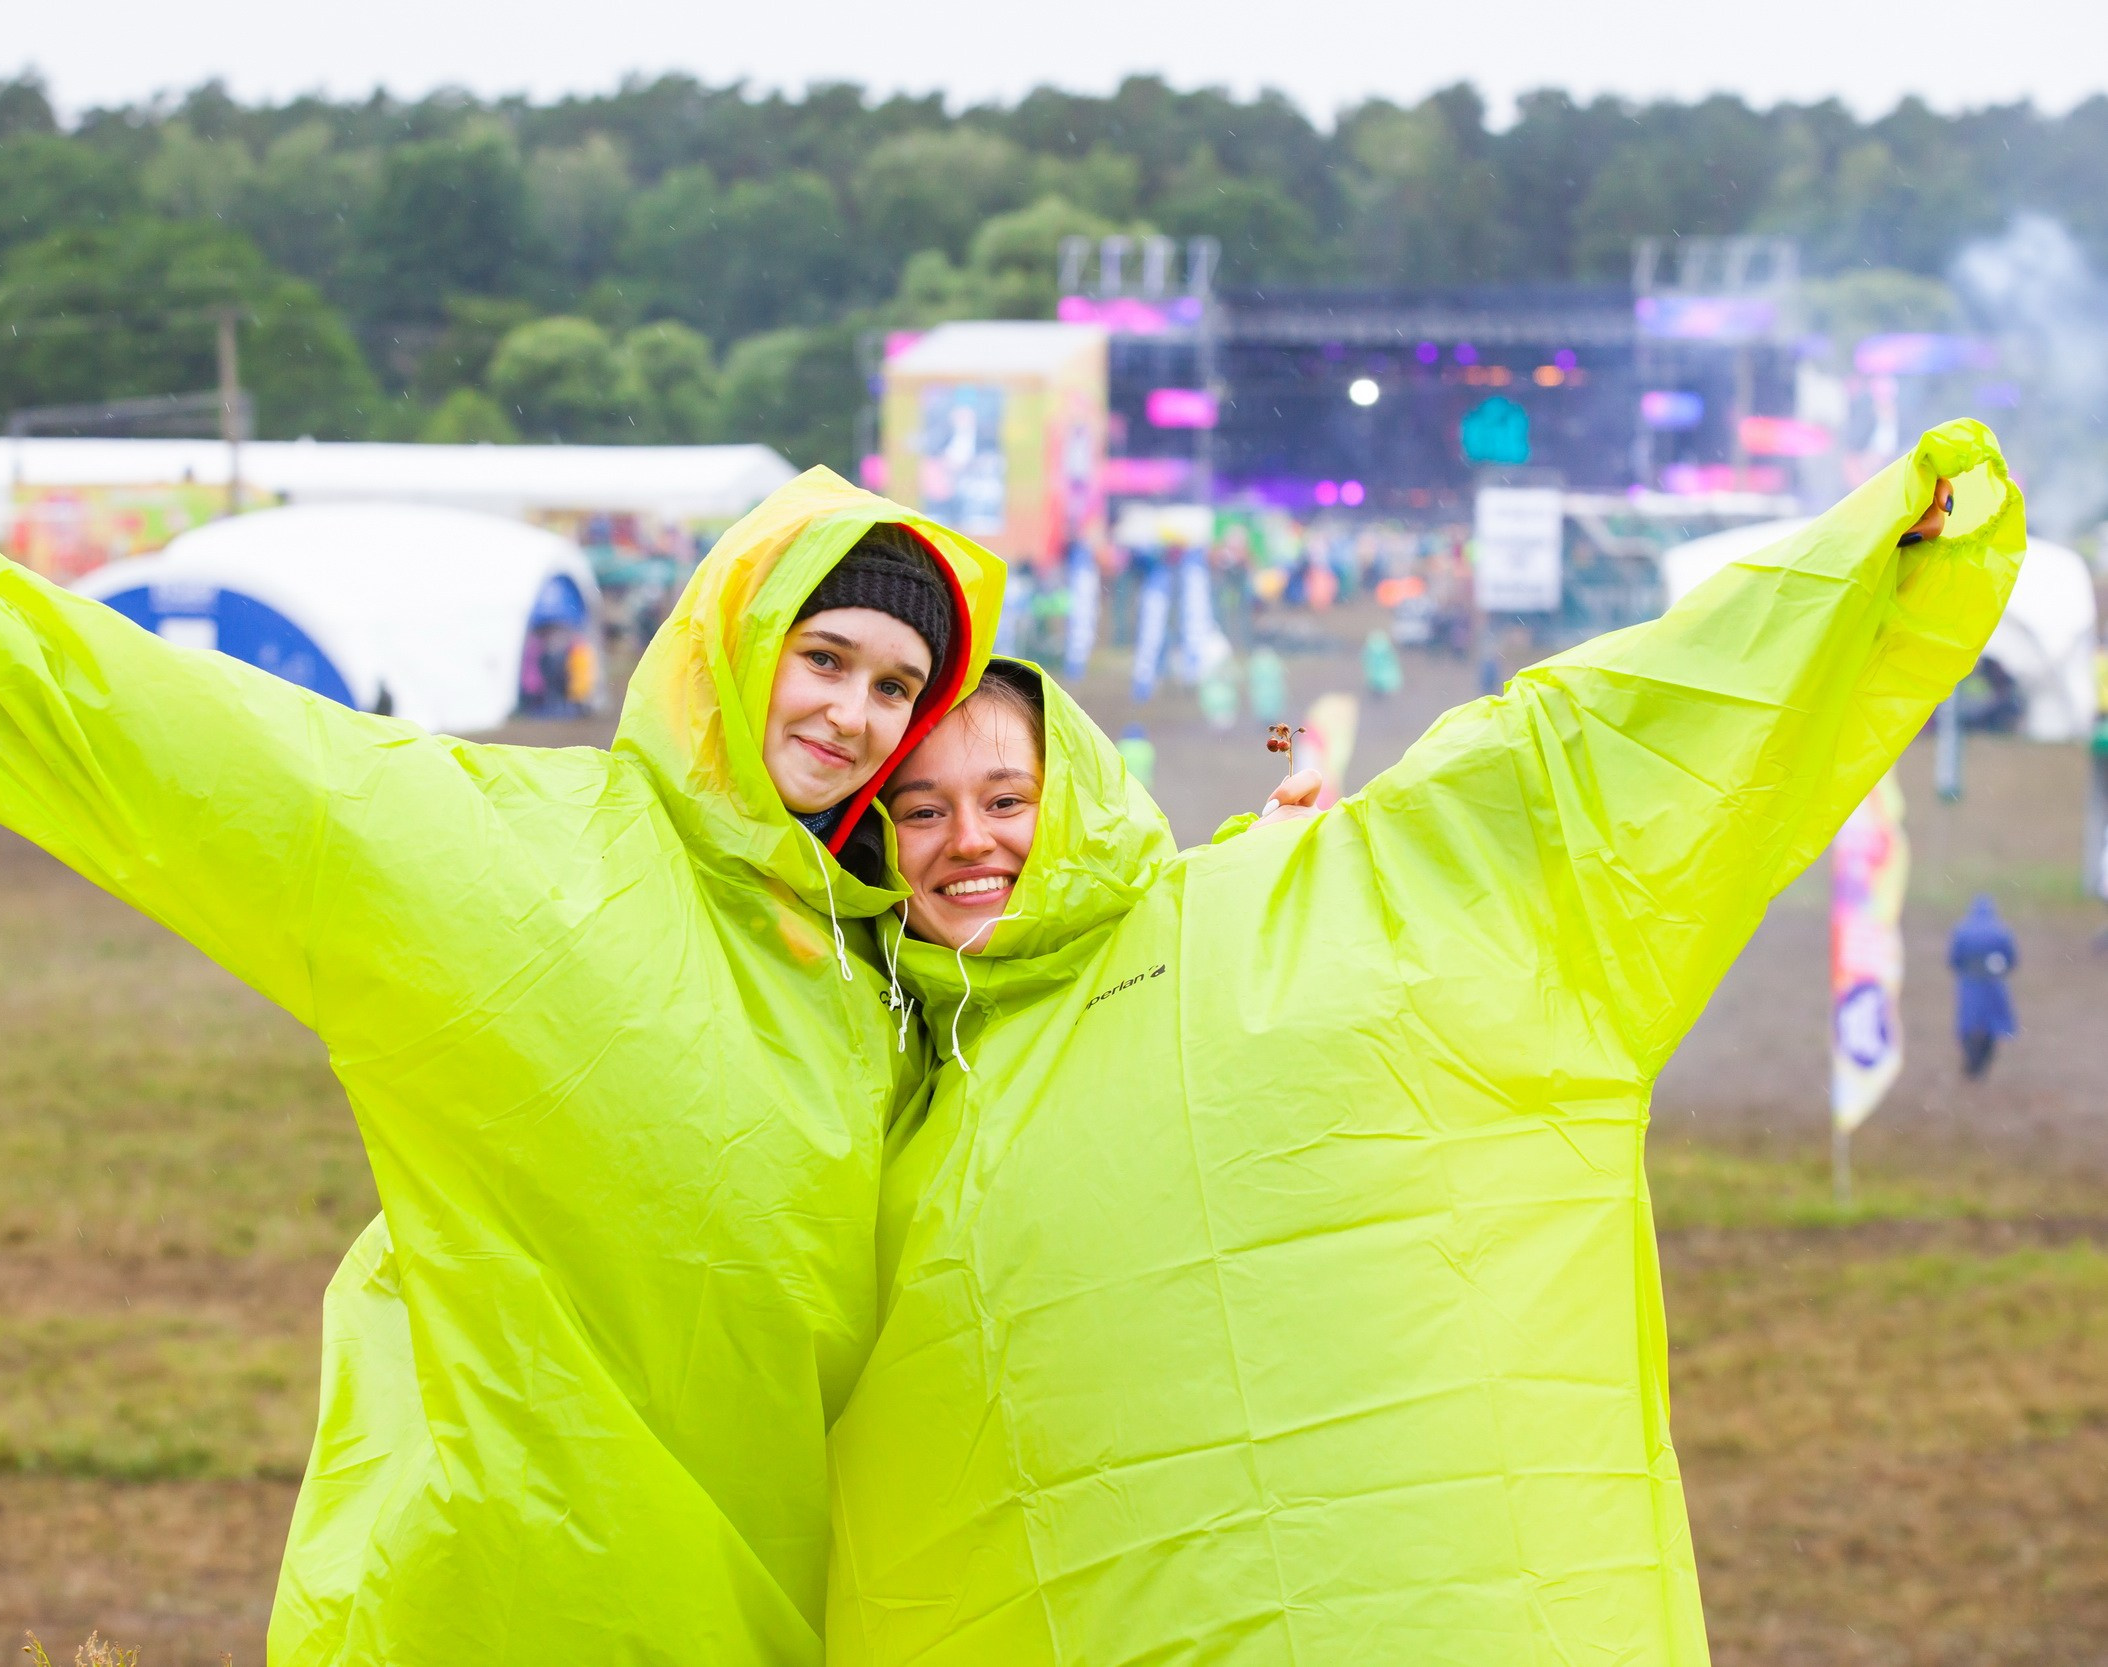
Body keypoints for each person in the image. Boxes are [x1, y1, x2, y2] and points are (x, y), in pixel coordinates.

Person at [826, 425, 2012, 1663]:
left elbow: (1578, 765)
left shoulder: (1297, 907)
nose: (972, 839)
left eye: (1007, 798)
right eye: (922, 809)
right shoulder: (882, 1077)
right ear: (870, 839)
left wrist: (1852, 568)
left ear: (1064, 793)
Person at [0, 467, 1005, 1666]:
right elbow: (244, 764)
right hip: (491, 1586)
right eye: (825, 658)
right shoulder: (528, 855)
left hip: (760, 1607)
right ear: (740, 647)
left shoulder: (889, 979)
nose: (852, 713)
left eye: (896, 686)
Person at [1948, 894, 2018, 1079]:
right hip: (1993, 982)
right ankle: (1982, 1063)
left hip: (1970, 983)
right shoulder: (2001, 931)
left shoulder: (1962, 930)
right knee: (1992, 1023)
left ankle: (1972, 1061)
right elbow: (2011, 959)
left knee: (1969, 1022)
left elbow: (1954, 959)